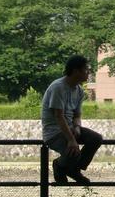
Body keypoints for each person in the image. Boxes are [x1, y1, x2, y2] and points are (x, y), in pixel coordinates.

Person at [41, 55, 103, 186]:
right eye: (86, 70)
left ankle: (73, 169)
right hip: (54, 132)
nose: (88, 73)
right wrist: (71, 140)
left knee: (96, 138)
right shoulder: (58, 87)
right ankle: (59, 165)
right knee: (74, 152)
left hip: (69, 128)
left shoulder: (79, 90)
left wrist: (77, 127)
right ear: (76, 71)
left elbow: (77, 114)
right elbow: (59, 116)